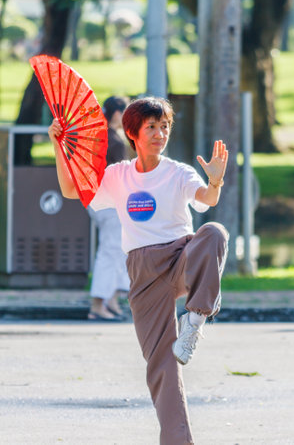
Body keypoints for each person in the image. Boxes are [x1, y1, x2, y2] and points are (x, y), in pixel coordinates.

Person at [48, 97, 229, 445]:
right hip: (144, 274)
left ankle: (195, 318)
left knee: (214, 233)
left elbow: (207, 199)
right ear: (133, 133)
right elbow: (71, 190)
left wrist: (216, 182)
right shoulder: (118, 176)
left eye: (165, 127)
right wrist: (59, 146)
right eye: (152, 127)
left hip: (180, 258)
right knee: (161, 367)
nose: (160, 134)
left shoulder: (178, 172)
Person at [87, 96, 130, 321]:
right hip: (110, 202)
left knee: (116, 250)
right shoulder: (114, 141)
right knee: (110, 250)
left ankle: (111, 301)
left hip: (96, 200)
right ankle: (97, 305)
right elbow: (119, 177)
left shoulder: (98, 136)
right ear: (116, 113)